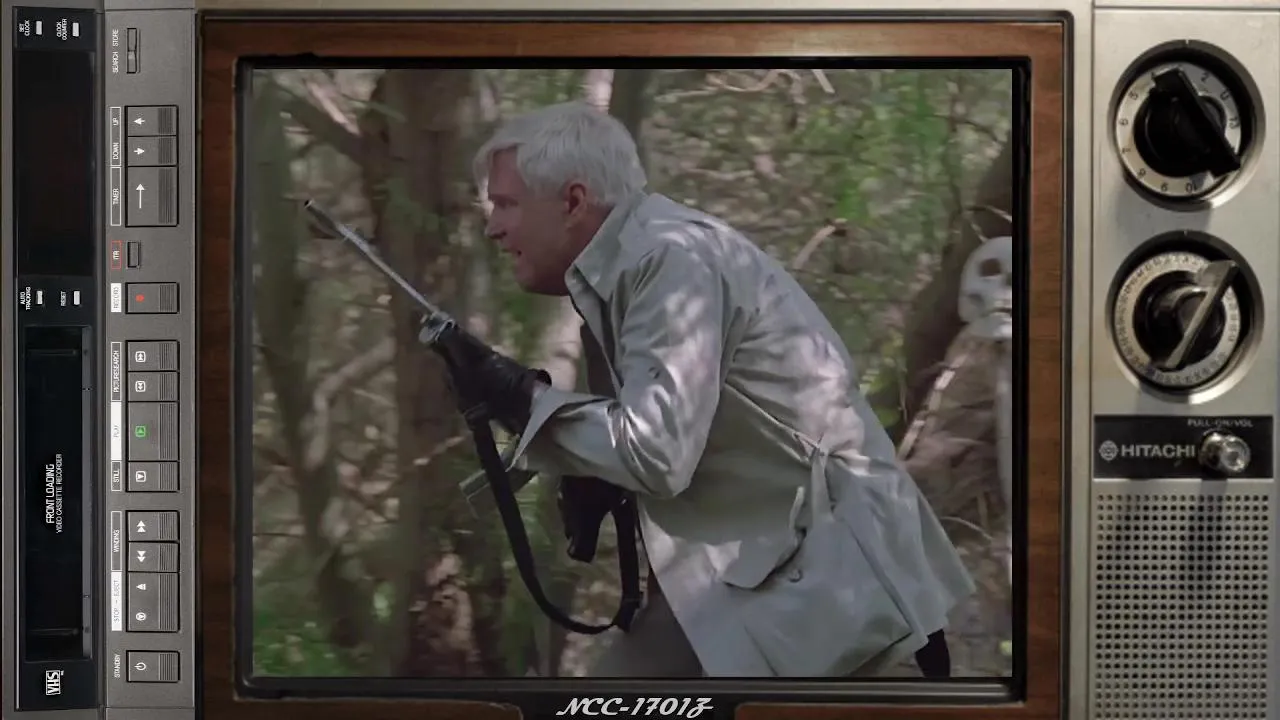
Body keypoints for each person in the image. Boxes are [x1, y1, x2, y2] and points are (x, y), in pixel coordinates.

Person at [456, 100, 976, 678]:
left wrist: (526, 402)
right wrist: (597, 469)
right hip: (754, 585)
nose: (493, 227)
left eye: (507, 204)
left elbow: (655, 452)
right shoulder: (629, 269)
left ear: (573, 201)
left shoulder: (670, 260)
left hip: (845, 605)